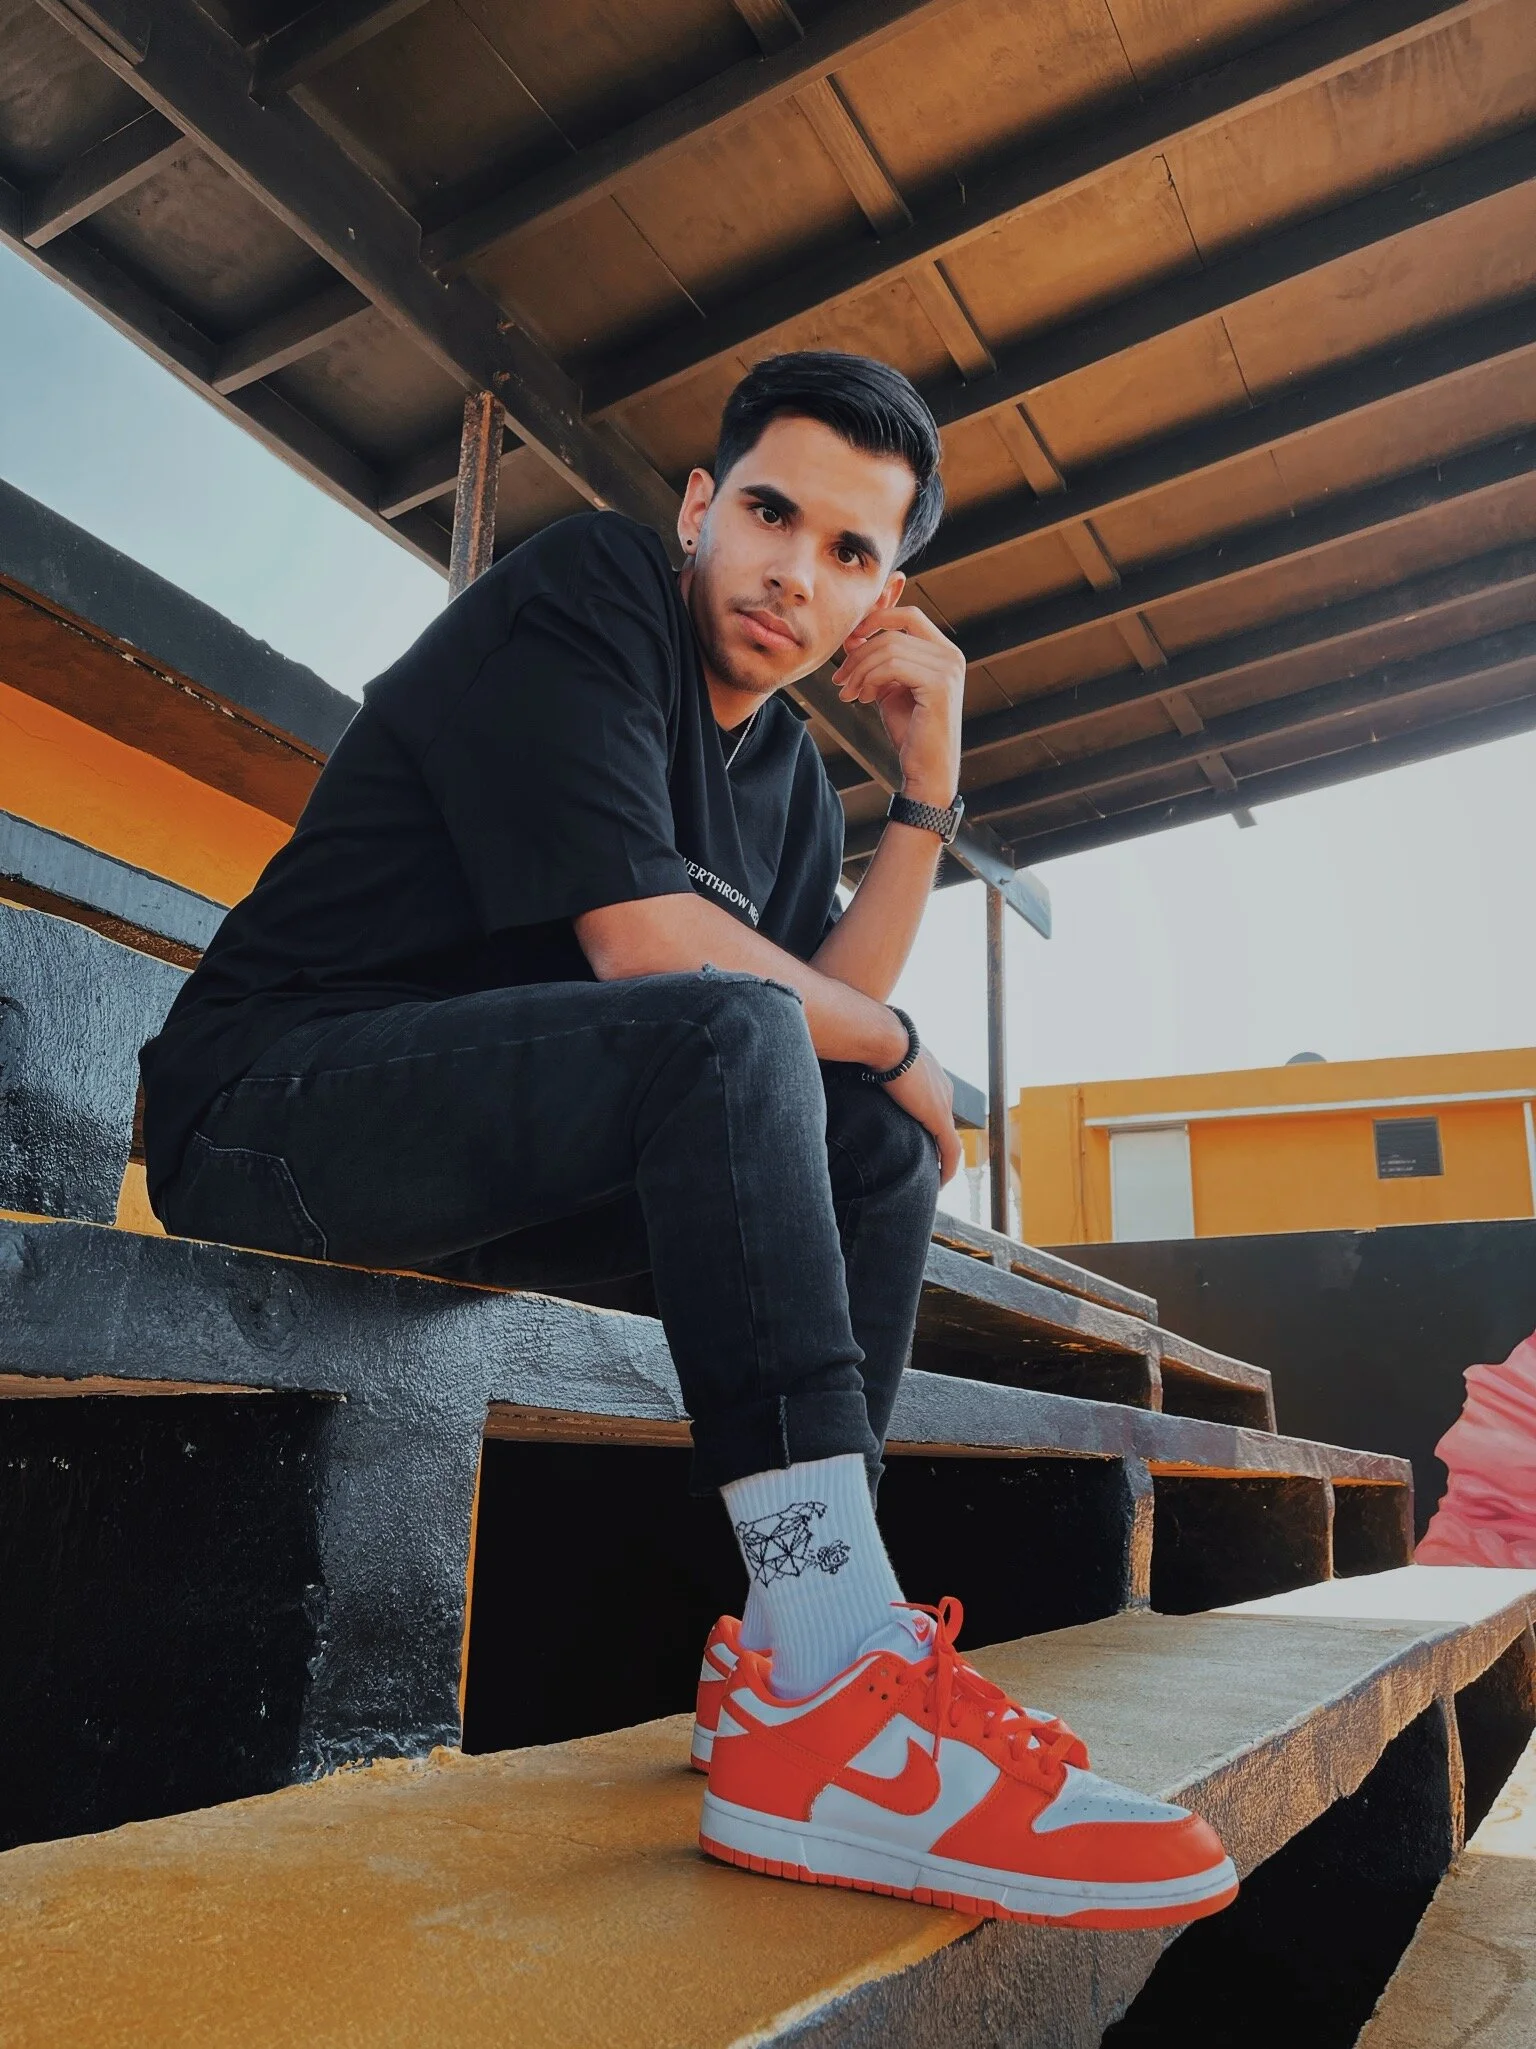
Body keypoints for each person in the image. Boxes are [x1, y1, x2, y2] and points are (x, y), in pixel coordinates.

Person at [139, 350, 1235, 1928]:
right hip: (273, 1111)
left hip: (490, 1163)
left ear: (883, 596)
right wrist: (913, 1046)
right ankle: (840, 1667)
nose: (798, 572)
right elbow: (664, 959)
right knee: (740, 1025)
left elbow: (829, 1052)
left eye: (852, 552)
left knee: (864, 1137)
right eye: (775, 514)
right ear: (702, 507)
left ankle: (802, 1656)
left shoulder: (788, 774)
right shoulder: (588, 590)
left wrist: (925, 797)